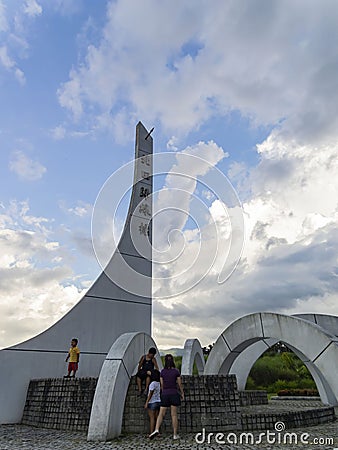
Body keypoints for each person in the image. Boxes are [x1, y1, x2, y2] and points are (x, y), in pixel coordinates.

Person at [149, 354, 184, 440]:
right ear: (172, 361)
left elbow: (162, 385)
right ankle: (175, 434)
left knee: (161, 413)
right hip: (174, 393)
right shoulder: (176, 371)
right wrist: (182, 393)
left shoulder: (162, 372)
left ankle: (156, 429)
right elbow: (179, 384)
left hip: (165, 394)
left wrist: (164, 391)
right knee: (174, 415)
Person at [144, 369, 161, 434]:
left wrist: (146, 402)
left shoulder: (152, 383)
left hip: (152, 402)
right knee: (157, 417)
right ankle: (157, 431)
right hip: (158, 401)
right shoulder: (158, 383)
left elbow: (150, 393)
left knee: (152, 418)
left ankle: (152, 432)